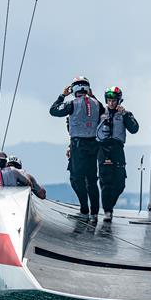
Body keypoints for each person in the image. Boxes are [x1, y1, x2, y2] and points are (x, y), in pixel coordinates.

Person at [50, 76, 105, 220]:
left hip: (78, 146)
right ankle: (94, 213)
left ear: (74, 89)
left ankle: (84, 211)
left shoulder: (72, 103)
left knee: (76, 179)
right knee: (92, 180)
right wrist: (93, 96)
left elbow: (53, 110)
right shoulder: (97, 104)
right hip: (94, 145)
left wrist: (62, 95)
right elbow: (104, 112)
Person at [96, 86, 139, 222]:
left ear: (119, 100)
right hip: (103, 149)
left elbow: (134, 129)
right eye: (109, 100)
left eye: (114, 100)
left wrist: (125, 114)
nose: (111, 103)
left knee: (120, 183)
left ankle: (110, 205)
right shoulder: (100, 113)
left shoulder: (124, 113)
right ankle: (108, 211)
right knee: (105, 181)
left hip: (118, 149)